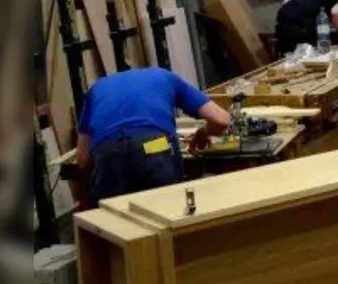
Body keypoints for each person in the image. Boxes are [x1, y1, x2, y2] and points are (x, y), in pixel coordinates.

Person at [71, 67, 231, 207]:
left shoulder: (98, 88)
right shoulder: (167, 77)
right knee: (166, 216)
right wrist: (203, 132)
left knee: (114, 226)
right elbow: (222, 120)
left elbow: (82, 159)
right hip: (154, 145)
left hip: (108, 152)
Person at [273, 0, 338, 57]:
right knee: (299, 53)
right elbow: (335, 13)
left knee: (290, 51)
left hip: (288, 12)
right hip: (299, 18)